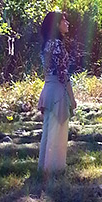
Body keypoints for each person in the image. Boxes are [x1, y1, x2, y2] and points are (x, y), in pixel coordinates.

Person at [37, 11, 76, 173]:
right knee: (57, 132)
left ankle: (44, 168)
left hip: (48, 88)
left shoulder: (46, 44)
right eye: (64, 20)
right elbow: (63, 74)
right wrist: (72, 98)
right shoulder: (57, 45)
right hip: (58, 92)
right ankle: (54, 170)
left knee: (48, 131)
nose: (67, 23)